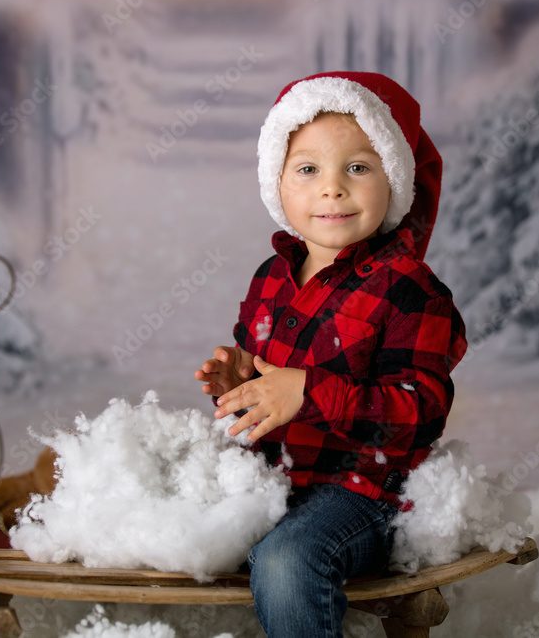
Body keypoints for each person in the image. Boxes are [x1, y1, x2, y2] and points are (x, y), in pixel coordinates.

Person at [194, 71, 467, 637]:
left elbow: (420, 412)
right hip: (275, 481)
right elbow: (261, 366)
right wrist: (238, 375)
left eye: (359, 168)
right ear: (278, 183)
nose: (332, 188)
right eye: (308, 169)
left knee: (286, 561)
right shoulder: (272, 276)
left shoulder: (408, 288)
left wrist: (308, 392)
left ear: (395, 179)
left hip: (363, 494)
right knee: (172, 521)